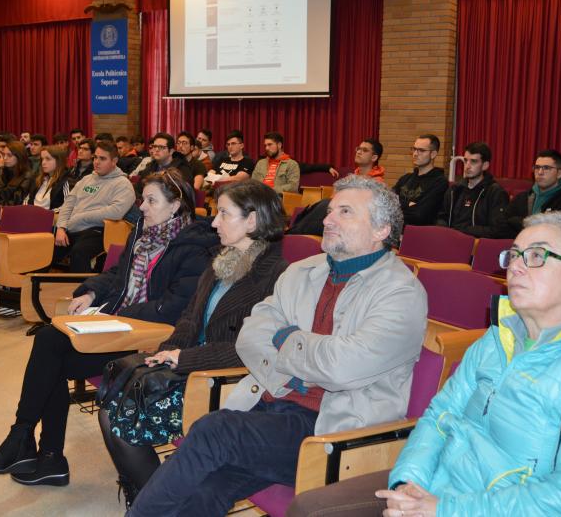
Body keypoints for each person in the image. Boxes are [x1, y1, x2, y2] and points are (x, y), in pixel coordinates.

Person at [287, 212, 561, 517]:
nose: (518, 268)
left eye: (537, 256)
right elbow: (439, 415)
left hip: (499, 507)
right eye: (514, 254)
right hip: (438, 483)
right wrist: (408, 481)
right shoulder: (498, 338)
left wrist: (444, 508)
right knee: (309, 509)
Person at [128, 175, 428, 517]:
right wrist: (303, 364)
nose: (328, 220)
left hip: (332, 431)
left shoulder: (401, 293)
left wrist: (286, 338)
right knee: (208, 486)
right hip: (269, 402)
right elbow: (250, 336)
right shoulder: (302, 272)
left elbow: (341, 368)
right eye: (330, 210)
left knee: (215, 430)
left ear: (381, 230)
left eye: (345, 212)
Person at [0, 169, 218, 487]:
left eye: (151, 200)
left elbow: (174, 307)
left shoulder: (195, 247)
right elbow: (116, 273)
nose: (141, 207)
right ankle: (36, 448)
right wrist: (91, 291)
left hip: (147, 339)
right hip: (119, 327)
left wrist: (119, 315)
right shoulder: (142, 231)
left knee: (50, 353)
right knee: (49, 345)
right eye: (142, 199)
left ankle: (36, 448)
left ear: (176, 206)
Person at [98, 180, 290, 503]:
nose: (213, 222)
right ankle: (150, 495)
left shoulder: (276, 276)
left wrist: (183, 360)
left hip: (221, 382)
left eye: (224, 215)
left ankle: (156, 500)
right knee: (113, 404)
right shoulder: (220, 262)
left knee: (118, 416)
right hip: (189, 368)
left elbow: (251, 350)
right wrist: (165, 352)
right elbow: (189, 319)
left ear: (253, 221)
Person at [53, 140, 135, 272]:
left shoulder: (123, 184)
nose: (96, 162)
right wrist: (61, 227)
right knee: (43, 250)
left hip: (99, 230)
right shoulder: (86, 179)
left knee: (79, 252)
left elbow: (116, 212)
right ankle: (31, 289)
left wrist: (80, 217)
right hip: (71, 229)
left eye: (102, 158)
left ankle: (83, 291)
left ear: (114, 161)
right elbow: (68, 203)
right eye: (95, 157)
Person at [436, 141, 509, 238]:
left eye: (473, 161)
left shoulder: (496, 193)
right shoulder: (455, 190)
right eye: (466, 160)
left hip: (477, 245)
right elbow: (442, 217)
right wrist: (444, 231)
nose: (467, 166)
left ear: (485, 165)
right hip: (450, 241)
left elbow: (497, 230)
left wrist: (461, 230)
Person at [505, 149, 561, 236]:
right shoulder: (523, 197)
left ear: (559, 173)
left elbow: (553, 232)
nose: (540, 172)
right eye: (537, 167)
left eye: (546, 168)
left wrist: (520, 221)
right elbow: (503, 223)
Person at [393, 134, 448, 226]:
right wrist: (408, 204)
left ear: (433, 154)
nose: (415, 154)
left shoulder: (439, 182)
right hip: (396, 231)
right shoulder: (405, 178)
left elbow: (419, 215)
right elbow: (387, 202)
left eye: (421, 150)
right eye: (414, 149)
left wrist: (399, 204)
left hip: (418, 234)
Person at [0, 140, 33, 206]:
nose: (5, 158)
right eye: (4, 154)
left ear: (19, 157)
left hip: (9, 212)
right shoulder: (1, 171)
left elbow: (15, 202)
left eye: (9, 155)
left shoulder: (27, 176)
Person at [25, 145, 69, 211]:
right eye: (42, 159)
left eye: (48, 159)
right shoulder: (38, 179)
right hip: (31, 216)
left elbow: (67, 207)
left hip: (50, 219)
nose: (43, 163)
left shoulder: (66, 181)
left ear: (59, 161)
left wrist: (47, 215)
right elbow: (28, 200)